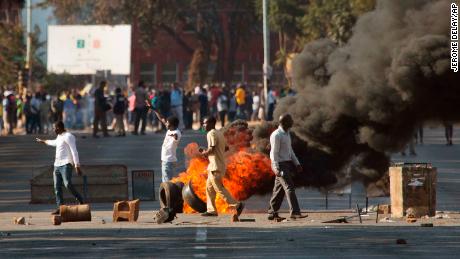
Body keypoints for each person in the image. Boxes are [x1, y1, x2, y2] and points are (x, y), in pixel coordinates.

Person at [36, 121, 85, 215]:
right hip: (57, 165)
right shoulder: (59, 137)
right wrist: (43, 141)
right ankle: (60, 208)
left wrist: (77, 165)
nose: (53, 130)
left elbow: (74, 151)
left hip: (66, 164)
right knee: (57, 187)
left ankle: (80, 199)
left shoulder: (69, 136)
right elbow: (54, 142)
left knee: (67, 184)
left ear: (59, 127)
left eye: (54, 128)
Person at [199, 116, 244, 217]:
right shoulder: (219, 133)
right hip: (217, 165)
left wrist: (204, 153)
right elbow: (226, 148)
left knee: (219, 188)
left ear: (211, 124)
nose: (203, 125)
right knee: (209, 188)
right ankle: (211, 210)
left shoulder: (211, 133)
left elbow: (212, 148)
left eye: (205, 123)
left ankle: (237, 205)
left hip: (215, 166)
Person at [268, 114, 306, 221]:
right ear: (284, 122)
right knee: (289, 187)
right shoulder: (276, 135)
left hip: (286, 164)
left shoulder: (287, 134)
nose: (292, 122)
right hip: (279, 165)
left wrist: (297, 163)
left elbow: (290, 151)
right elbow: (274, 153)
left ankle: (272, 212)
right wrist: (276, 168)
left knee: (278, 190)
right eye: (290, 120)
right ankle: (295, 212)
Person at [146, 100, 181, 182]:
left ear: (172, 125)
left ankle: (167, 193)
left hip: (168, 160)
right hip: (166, 159)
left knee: (166, 181)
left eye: (167, 123)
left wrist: (174, 136)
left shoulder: (176, 132)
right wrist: (153, 108)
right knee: (167, 178)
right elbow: (161, 118)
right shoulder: (170, 129)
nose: (166, 124)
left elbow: (176, 138)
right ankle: (168, 192)